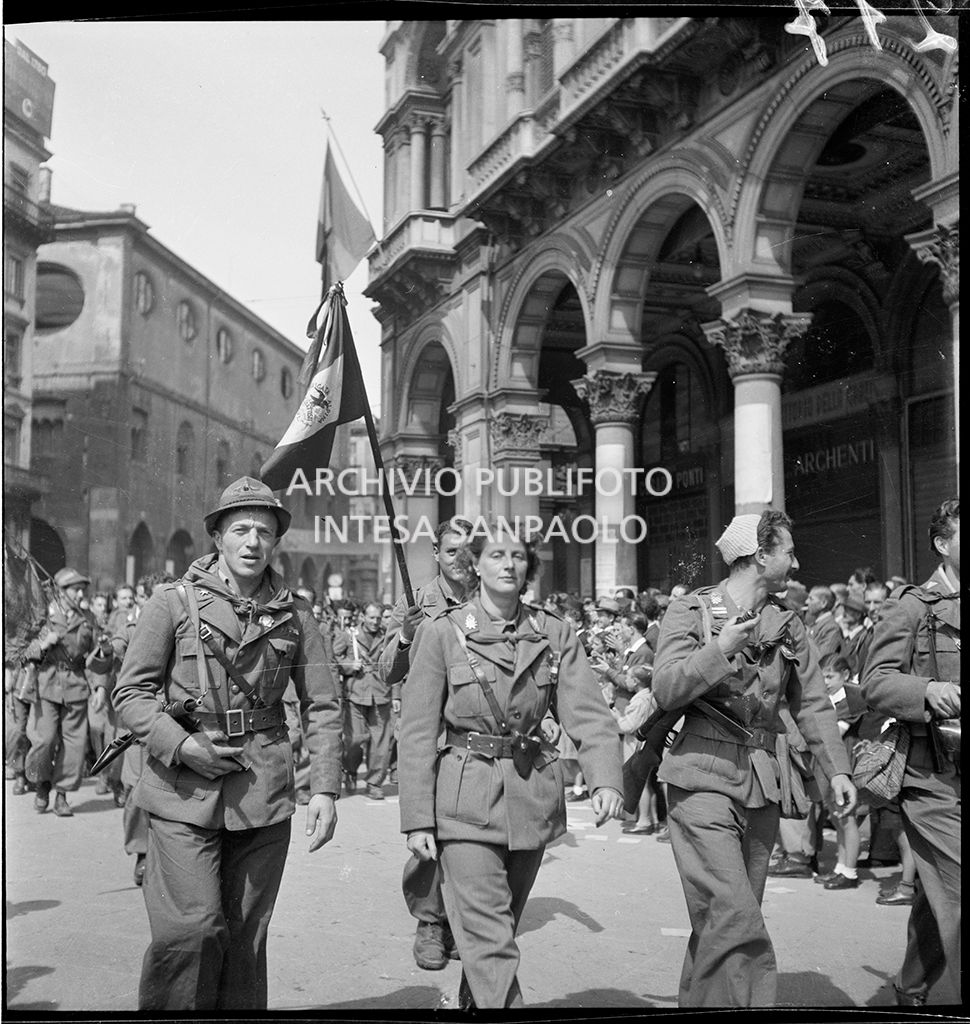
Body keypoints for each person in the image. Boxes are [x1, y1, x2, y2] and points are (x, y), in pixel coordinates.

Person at [112, 477, 343, 1011]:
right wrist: (180, 745)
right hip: (180, 787)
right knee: (190, 932)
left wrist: (326, 789)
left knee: (245, 943)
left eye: (265, 531)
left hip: (261, 792)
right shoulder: (171, 603)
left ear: (275, 542)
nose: (253, 541)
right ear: (217, 537)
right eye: (240, 528)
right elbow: (131, 692)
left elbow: (324, 705)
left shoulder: (297, 614)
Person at [398, 521, 624, 1008]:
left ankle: (477, 1000)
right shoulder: (443, 632)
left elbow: (587, 712)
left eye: (518, 556)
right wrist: (417, 818)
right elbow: (416, 731)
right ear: (475, 565)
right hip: (465, 797)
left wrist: (606, 778)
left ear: (529, 568)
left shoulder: (554, 633)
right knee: (491, 939)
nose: (508, 564)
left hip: (531, 797)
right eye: (496, 554)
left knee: (500, 925)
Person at [652, 510, 856, 1007]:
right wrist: (719, 648)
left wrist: (839, 771)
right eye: (787, 550)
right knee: (736, 916)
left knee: (720, 923)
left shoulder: (788, 622)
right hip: (700, 776)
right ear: (760, 555)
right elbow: (665, 686)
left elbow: (811, 703)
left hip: (762, 781)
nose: (796, 559)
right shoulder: (692, 613)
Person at [863, 497, 960, 1006]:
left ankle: (912, 987)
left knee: (941, 892)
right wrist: (925, 692)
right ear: (943, 545)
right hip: (932, 775)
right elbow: (874, 683)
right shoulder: (911, 606)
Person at [378, 518, 471, 971]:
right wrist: (405, 635)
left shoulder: (489, 600)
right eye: (452, 551)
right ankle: (430, 921)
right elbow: (384, 671)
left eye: (469, 550)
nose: (461, 560)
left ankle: (458, 919)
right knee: (429, 828)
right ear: (436, 553)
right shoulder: (415, 604)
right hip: (429, 732)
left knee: (469, 829)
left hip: (476, 731)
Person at [24, 568, 112, 817]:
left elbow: (97, 657)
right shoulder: (43, 616)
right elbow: (23, 650)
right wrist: (43, 644)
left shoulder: (89, 619)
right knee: (44, 740)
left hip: (76, 684)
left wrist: (100, 687)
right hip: (48, 683)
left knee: (74, 745)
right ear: (61, 591)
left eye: (82, 588)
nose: (80, 592)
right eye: (75, 588)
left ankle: (61, 794)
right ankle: (42, 784)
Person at [813, 653, 866, 890]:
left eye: (830, 676)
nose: (825, 681)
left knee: (848, 819)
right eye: (822, 676)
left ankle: (850, 871)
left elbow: (834, 733)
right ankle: (840, 867)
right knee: (837, 817)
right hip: (829, 767)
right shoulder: (826, 698)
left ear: (845, 675)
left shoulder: (850, 700)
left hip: (846, 765)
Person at [333, 600, 392, 799]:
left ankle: (374, 783)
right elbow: (334, 659)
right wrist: (350, 664)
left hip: (381, 693)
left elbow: (397, 665)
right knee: (354, 740)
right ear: (363, 617)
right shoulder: (349, 636)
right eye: (371, 617)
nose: (375, 622)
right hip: (356, 693)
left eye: (378, 618)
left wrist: (398, 695)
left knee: (380, 743)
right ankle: (349, 769)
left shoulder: (386, 637)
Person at [806, 585, 842, 660]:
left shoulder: (832, 628)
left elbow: (822, 658)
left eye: (811, 599)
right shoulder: (816, 624)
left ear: (823, 603)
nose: (807, 602)